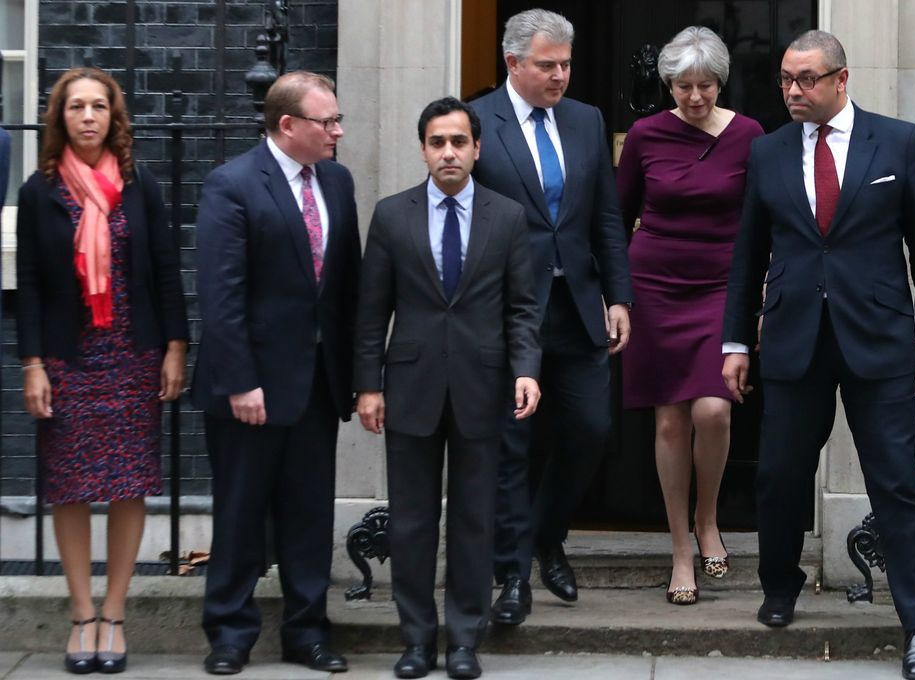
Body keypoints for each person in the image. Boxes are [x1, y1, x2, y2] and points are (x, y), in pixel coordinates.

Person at [720, 30, 915, 680]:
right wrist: (736, 341)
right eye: (787, 80)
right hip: (794, 338)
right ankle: (779, 587)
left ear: (841, 80)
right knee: (780, 475)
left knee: (896, 481)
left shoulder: (900, 143)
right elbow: (747, 257)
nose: (793, 90)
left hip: (878, 338)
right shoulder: (766, 153)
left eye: (807, 80)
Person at [354, 96, 543, 680]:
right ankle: (415, 639)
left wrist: (526, 368)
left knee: (472, 520)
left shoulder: (507, 217)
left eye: (459, 141)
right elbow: (370, 311)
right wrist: (367, 386)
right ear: (423, 150)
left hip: (482, 388)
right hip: (409, 386)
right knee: (410, 522)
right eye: (437, 142)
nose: (449, 152)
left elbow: (523, 308)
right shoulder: (391, 215)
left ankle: (464, 638)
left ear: (476, 148)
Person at [16, 67, 188, 675]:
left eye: (98, 107)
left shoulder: (140, 186)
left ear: (114, 118)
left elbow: (166, 269)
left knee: (127, 483)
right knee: (68, 486)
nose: (87, 117)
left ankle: (114, 615)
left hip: (132, 354)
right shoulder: (40, 192)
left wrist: (175, 346)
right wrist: (32, 363)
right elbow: (30, 284)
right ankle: (81, 615)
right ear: (59, 118)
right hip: (68, 357)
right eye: (75, 108)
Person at [192, 71, 361, 676]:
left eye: (338, 120)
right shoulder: (231, 185)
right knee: (240, 512)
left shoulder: (337, 183)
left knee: (309, 514)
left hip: (317, 381)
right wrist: (240, 380)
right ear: (287, 126)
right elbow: (220, 293)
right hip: (251, 386)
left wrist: (357, 374)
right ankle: (230, 634)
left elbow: (345, 288)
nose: (338, 131)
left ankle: (307, 632)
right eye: (327, 122)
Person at [470, 8, 633, 624]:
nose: (560, 74)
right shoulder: (477, 121)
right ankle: (512, 575)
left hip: (578, 308)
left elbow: (606, 219)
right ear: (513, 63)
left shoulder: (586, 120)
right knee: (511, 445)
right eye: (547, 65)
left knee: (591, 430)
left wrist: (618, 296)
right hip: (508, 313)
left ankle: (546, 535)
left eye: (565, 63)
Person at [615, 26, 764, 605]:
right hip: (654, 285)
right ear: (668, 84)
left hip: (724, 286)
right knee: (670, 420)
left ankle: (708, 519)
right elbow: (618, 212)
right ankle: (681, 548)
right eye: (683, 86)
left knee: (714, 410)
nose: (695, 97)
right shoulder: (648, 135)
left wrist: (760, 296)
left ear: (720, 83)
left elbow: (765, 221)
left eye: (704, 86)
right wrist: (617, 296)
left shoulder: (750, 135)